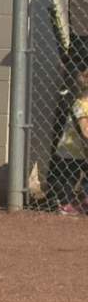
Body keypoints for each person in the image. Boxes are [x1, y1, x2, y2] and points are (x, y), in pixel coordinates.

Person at [47, 52, 88, 215]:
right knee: (68, 178)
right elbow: (85, 131)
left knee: (77, 176)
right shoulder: (80, 104)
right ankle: (64, 203)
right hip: (71, 150)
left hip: (82, 150)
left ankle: (80, 199)